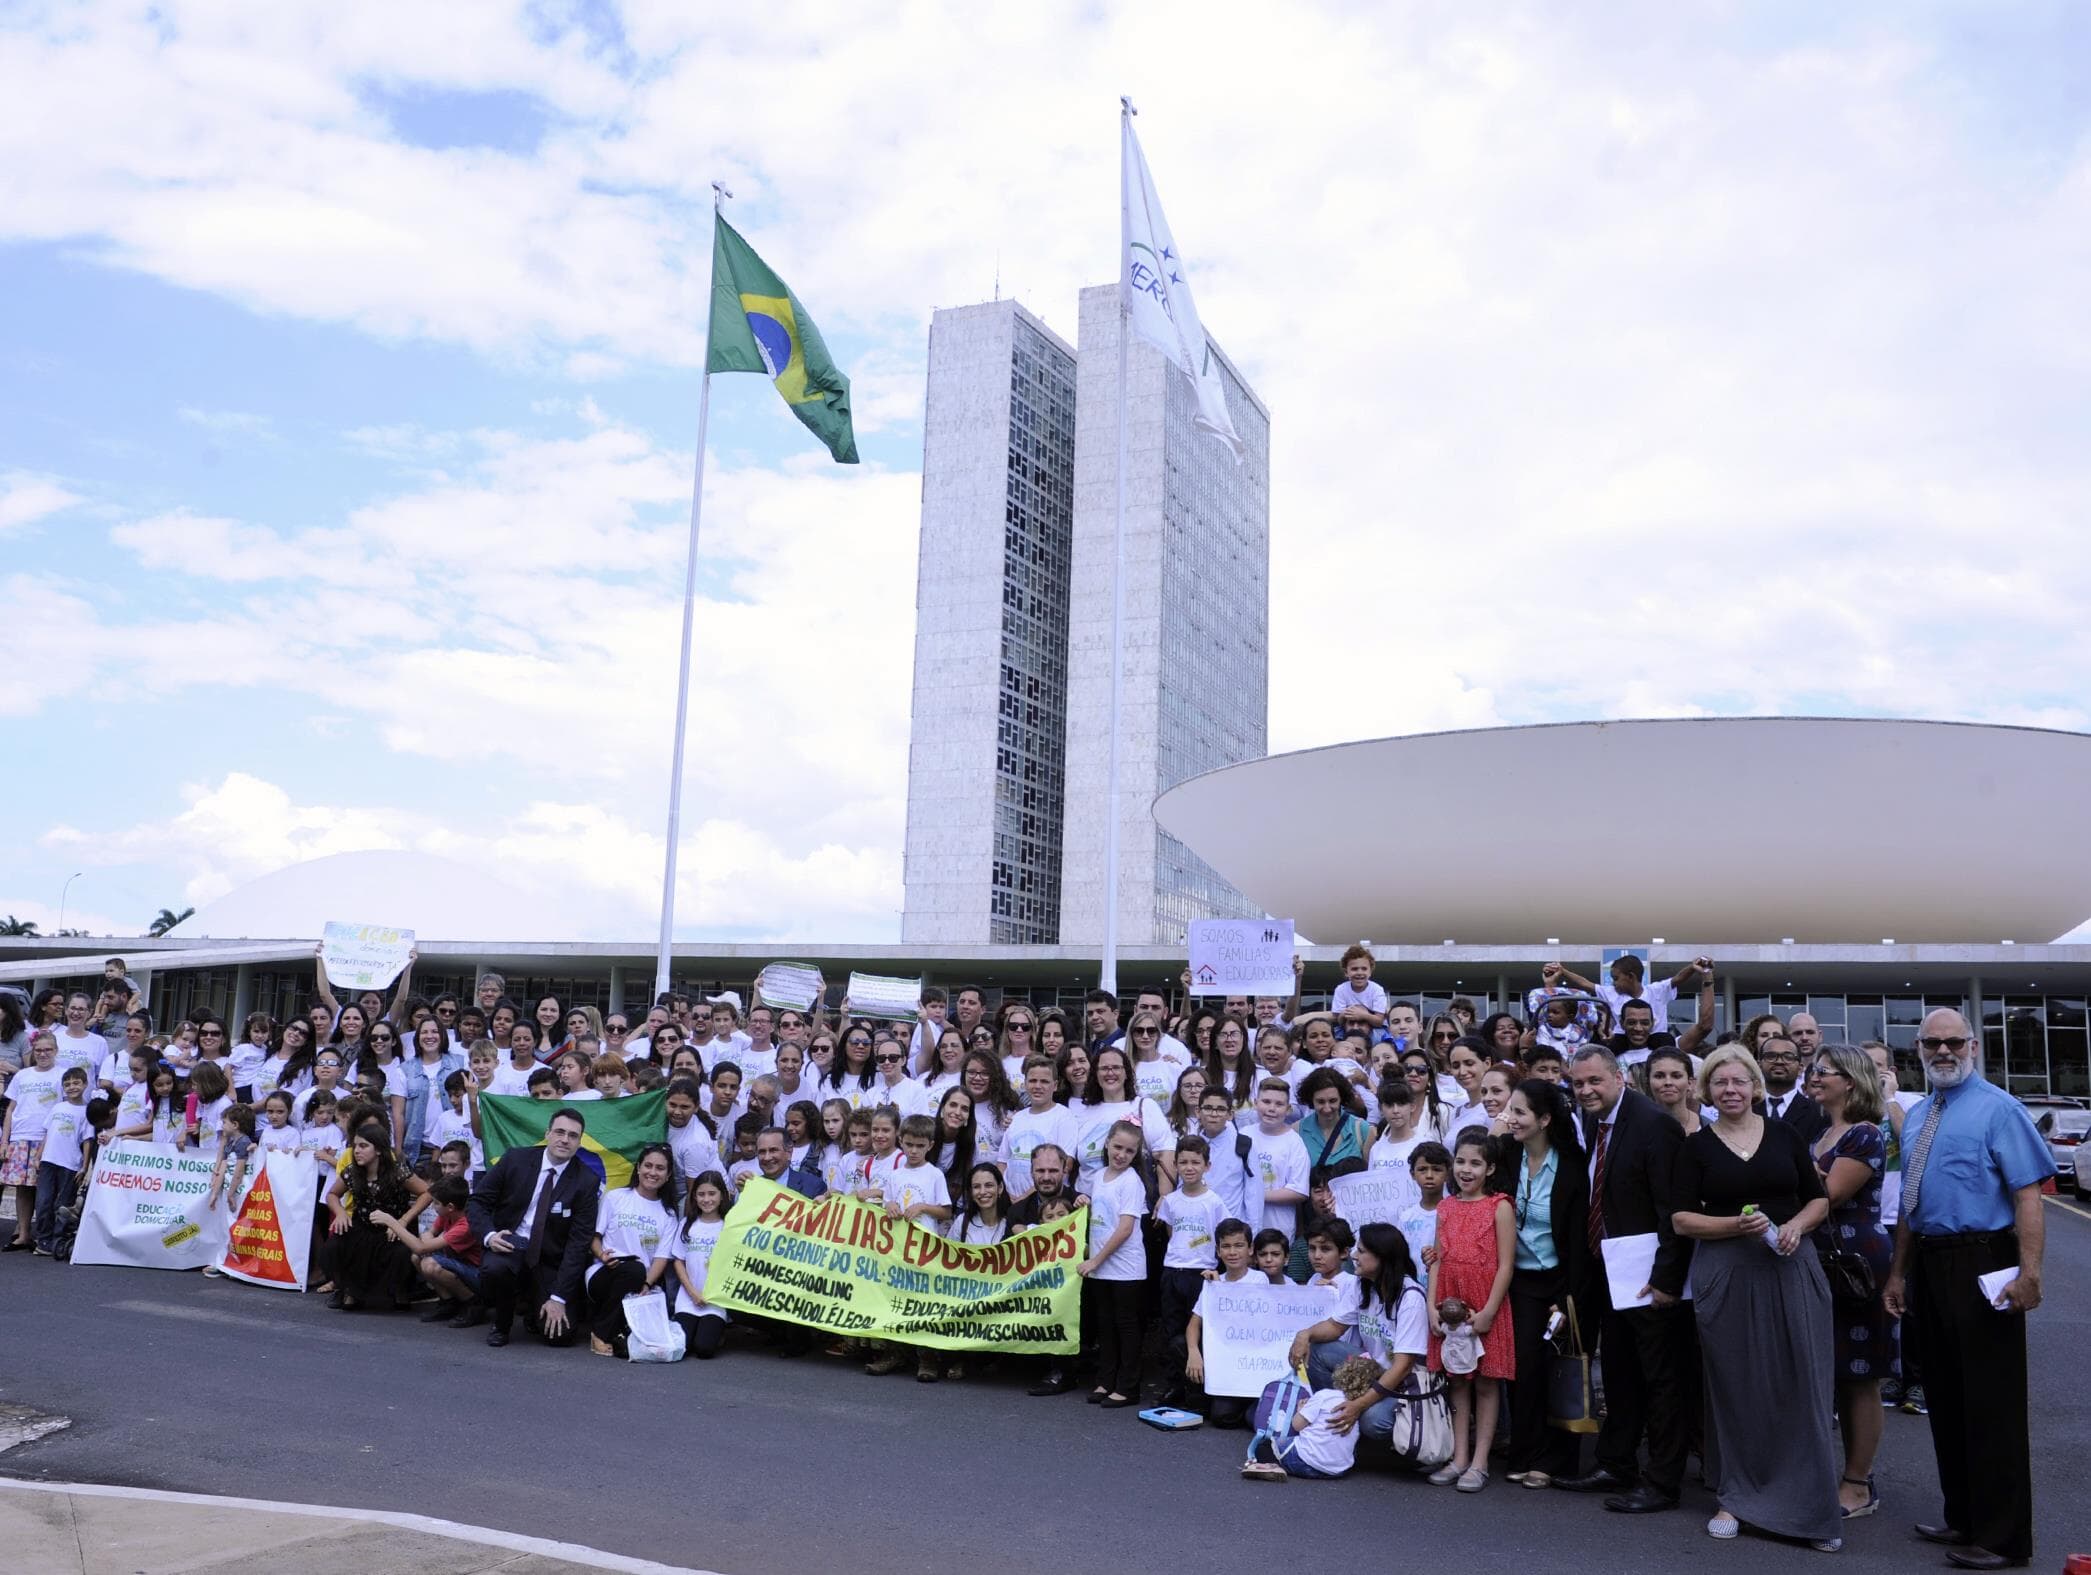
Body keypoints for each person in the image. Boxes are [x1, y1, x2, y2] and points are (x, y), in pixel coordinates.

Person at [1882, 1009, 2052, 1571]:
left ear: (1973, 1046)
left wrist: (2030, 1273)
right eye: (1933, 1043)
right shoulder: (1923, 1111)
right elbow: (1911, 1203)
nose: (1944, 1050)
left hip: (1985, 1262)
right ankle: (1964, 1516)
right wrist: (1898, 1273)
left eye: (1955, 1041)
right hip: (1931, 1263)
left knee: (1992, 1404)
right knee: (1948, 1399)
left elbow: (2029, 1195)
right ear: (1919, 1049)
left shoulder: (1999, 1109)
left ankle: (2003, 1539)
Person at [1672, 1045, 1840, 1551]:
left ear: (1755, 1086)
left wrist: (1795, 1225)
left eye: (1739, 1082)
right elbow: (1681, 1219)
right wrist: (1734, 1225)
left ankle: (1812, 1508)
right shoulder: (1696, 1147)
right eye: (1720, 1083)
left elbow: (1819, 1198)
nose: (1730, 1091)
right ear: (1707, 1090)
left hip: (1791, 1267)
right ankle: (1735, 1499)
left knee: (1804, 1387)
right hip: (1726, 1272)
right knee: (1737, 1388)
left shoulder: (1786, 1134)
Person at [1557, 1046, 1694, 1514]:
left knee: (1660, 1380)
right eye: (1578, 1084)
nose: (1586, 1091)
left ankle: (1662, 1481)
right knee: (1618, 1372)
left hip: (1649, 1279)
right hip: (1610, 1273)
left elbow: (1671, 1210)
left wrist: (1666, 1280)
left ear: (1619, 1078)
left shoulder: (1655, 1125)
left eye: (1595, 1081)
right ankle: (1616, 1463)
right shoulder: (1595, 1121)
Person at [1805, 1042, 1894, 1520]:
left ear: (1851, 1081)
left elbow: (1828, 1192)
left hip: (1856, 1265)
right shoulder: (1822, 1134)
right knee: (1830, 1374)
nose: (1815, 1076)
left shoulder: (1864, 1134)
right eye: (1814, 1069)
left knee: (1860, 1376)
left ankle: (1858, 1484)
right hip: (1818, 1263)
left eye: (1825, 1070)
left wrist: (1794, 1177)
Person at [1498, 1078, 1588, 1489]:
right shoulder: (1505, 1156)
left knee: (1558, 1368)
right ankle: (1524, 1451)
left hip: (1558, 1280)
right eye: (1509, 1109)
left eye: (1519, 1112)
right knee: (1522, 1368)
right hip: (1516, 1278)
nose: (1509, 1118)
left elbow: (1577, 1239)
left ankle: (1558, 1459)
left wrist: (1567, 1295)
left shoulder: (1571, 1164)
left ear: (1545, 1119)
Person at [1282, 1221, 1432, 1448]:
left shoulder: (1410, 1297)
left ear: (1382, 1257)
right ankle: (1336, 1415)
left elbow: (1403, 1366)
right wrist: (1305, 1335)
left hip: (1404, 1382)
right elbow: (1335, 1326)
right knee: (1318, 1350)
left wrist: (1359, 1405)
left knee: (1373, 1421)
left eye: (1361, 1251)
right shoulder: (1363, 1284)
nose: (1353, 1255)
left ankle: (1365, 1430)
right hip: (1373, 1369)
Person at [465, 1108, 602, 1348]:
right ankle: (502, 1322)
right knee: (495, 1269)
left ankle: (534, 1309)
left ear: (580, 1142)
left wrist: (558, 1298)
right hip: (510, 1244)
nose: (564, 1139)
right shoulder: (515, 1159)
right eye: (559, 1132)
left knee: (560, 1337)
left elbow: (577, 1245)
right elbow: (477, 1203)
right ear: (547, 1133)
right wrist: (488, 1236)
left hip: (550, 1259)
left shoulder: (587, 1181)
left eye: (572, 1135)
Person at [1425, 1129, 1516, 1492]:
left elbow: (1506, 1265)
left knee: (1486, 1383)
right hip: (1449, 1302)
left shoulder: (1500, 1206)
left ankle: (1480, 1462)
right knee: (1457, 1381)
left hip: (1484, 1303)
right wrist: (1432, 1306)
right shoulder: (1445, 1207)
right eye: (1460, 1161)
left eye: (1475, 1163)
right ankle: (1459, 1456)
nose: (1466, 1169)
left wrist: (1490, 1311)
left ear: (1490, 1168)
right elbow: (1437, 1259)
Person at [323, 1121, 433, 1311]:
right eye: (355, 1145)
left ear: (379, 1150)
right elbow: (332, 1195)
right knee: (334, 1246)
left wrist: (403, 1220)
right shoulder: (351, 1171)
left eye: (364, 1146)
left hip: (393, 1229)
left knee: (399, 1253)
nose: (357, 1150)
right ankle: (349, 1290)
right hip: (363, 1226)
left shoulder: (397, 1171)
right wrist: (340, 1212)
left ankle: (399, 1291)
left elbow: (427, 1193)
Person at [1078, 1120, 1149, 1408]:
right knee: (1105, 1326)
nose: (1121, 1155)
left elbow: (1124, 1228)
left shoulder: (1131, 1180)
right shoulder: (1098, 1176)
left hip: (1125, 1270)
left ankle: (1128, 1386)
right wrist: (1086, 1201)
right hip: (1102, 1268)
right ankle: (1106, 1380)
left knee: (1126, 1327)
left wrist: (1096, 1258)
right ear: (1106, 1143)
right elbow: (1103, 1214)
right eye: (1117, 1147)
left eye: (1129, 1151)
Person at [584, 1144, 677, 1358]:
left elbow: (661, 1258)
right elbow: (594, 1238)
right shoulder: (615, 1197)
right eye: (648, 1166)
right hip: (604, 1272)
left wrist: (646, 1284)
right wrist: (602, 1256)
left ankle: (619, 1330)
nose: (653, 1172)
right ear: (638, 1168)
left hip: (642, 1283)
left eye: (660, 1168)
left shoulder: (669, 1214)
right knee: (634, 1269)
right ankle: (600, 1333)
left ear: (668, 1175)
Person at [1153, 1134, 1225, 1405]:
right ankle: (1175, 1385)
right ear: (1176, 1164)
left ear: (1207, 1165)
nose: (1189, 1167)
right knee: (1172, 1330)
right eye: (1183, 1162)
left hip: (1200, 1273)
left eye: (1196, 1162)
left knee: (1198, 1332)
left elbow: (1220, 1238)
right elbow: (1172, 1233)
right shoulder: (1171, 1201)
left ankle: (1200, 1388)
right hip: (1173, 1270)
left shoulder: (1214, 1202)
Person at [1240, 1354, 1387, 1481]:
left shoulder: (1324, 1396)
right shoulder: (1359, 1409)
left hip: (1305, 1462)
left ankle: (1271, 1466)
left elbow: (1297, 1425)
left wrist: (1300, 1410)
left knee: (1265, 1446)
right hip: (1338, 1470)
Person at [669, 1171, 733, 1359]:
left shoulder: (728, 1227)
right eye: (701, 1194)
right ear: (694, 1197)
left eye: (712, 1194)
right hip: (688, 1297)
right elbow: (679, 1262)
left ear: (722, 1195)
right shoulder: (687, 1224)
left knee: (704, 1349)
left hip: (715, 1300)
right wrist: (692, 1293)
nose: (706, 1199)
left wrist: (712, 1294)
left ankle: (719, 1331)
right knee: (682, 1346)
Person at [1758, 1031, 1828, 1142]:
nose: (1779, 1062)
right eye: (1771, 1056)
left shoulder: (1818, 1113)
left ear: (1800, 1068)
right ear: (1759, 1065)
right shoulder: (1747, 1108)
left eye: (1788, 1057)